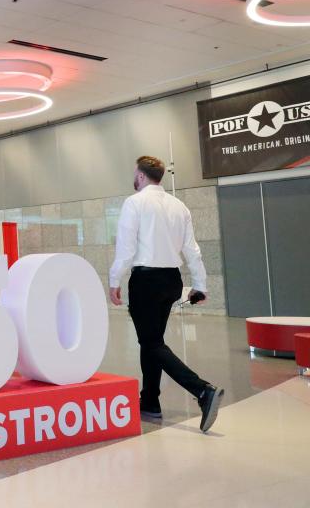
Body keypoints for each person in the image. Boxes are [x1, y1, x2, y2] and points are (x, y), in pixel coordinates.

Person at [109, 155, 224, 433]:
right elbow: (192, 249)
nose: (134, 177)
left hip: (146, 280)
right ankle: (149, 402)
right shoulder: (179, 205)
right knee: (152, 342)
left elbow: (125, 248)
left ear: (140, 175)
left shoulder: (134, 202)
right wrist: (200, 285)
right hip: (171, 280)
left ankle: (202, 390)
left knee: (150, 343)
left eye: (135, 173)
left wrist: (115, 280)